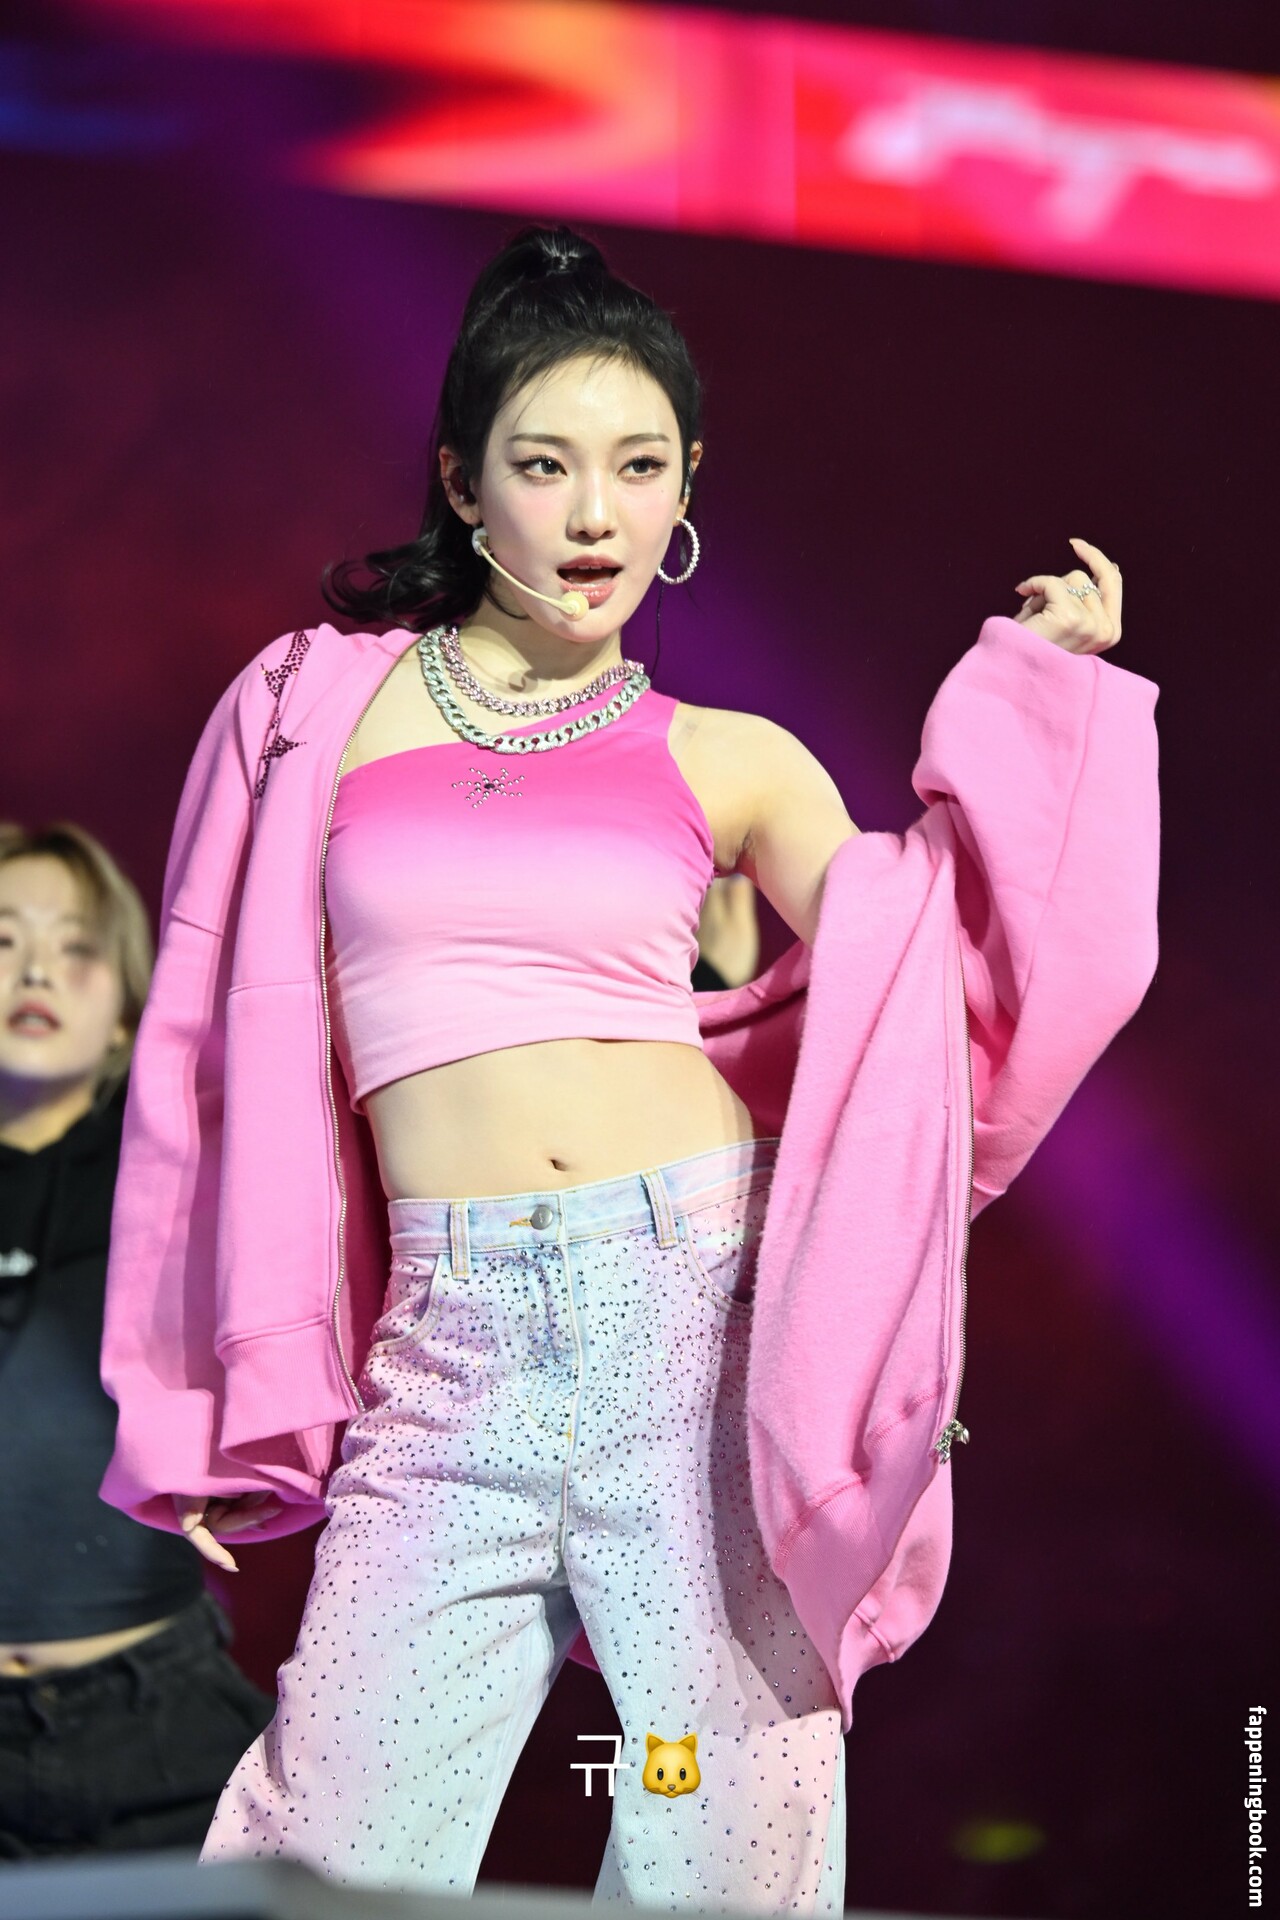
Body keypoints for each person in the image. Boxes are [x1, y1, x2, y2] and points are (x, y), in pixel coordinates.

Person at [98, 226, 1160, 1906]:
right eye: (544, 465)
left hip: (696, 1318)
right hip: (442, 1347)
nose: (595, 513)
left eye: (640, 465)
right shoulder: (310, 709)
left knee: (728, 1863)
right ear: (463, 481)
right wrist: (192, 1387)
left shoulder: (732, 759)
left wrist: (1045, 704)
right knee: (319, 1850)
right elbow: (202, 1057)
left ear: (687, 489)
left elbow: (941, 980)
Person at [0, 823, 274, 1858]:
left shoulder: (184, 1175)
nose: (35, 970)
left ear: (126, 1007)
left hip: (155, 1728)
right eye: (2, 940)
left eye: (75, 945)